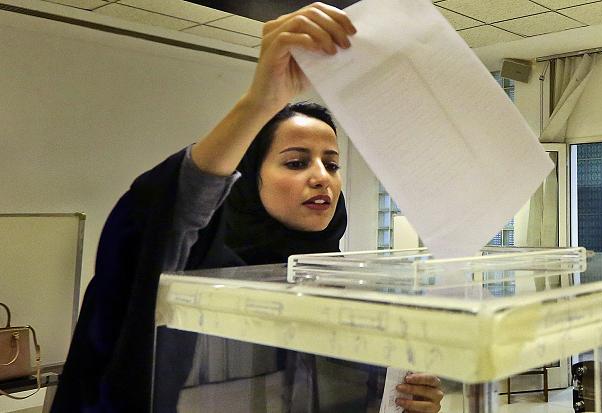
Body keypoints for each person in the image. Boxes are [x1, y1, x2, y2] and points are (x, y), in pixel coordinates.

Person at [51, 3, 443, 412]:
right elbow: (158, 214)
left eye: (331, 164)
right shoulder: (198, 267)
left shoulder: (345, 289)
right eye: (296, 162)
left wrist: (410, 404)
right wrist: (261, 101)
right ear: (249, 178)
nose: (321, 177)